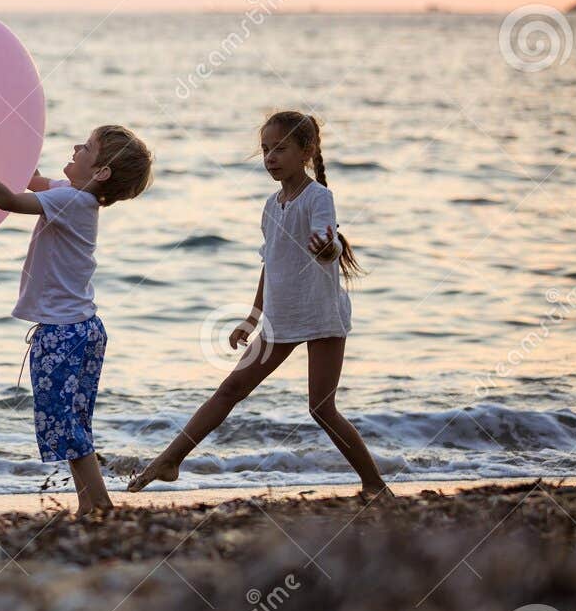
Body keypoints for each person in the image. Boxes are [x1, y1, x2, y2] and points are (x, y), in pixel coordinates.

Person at [128, 111, 391, 500]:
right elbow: (270, 265)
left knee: (321, 407)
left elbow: (329, 243)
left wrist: (326, 249)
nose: (270, 157)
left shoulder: (319, 197)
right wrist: (252, 318)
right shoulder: (271, 206)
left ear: (307, 150)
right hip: (280, 317)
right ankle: (169, 461)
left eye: (280, 149)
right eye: (266, 150)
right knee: (231, 387)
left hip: (322, 314)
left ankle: (374, 484)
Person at [0, 123, 153, 516]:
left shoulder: (73, 202)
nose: (76, 146)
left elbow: (7, 199)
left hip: (63, 334)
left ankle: (102, 505)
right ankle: (88, 505)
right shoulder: (74, 194)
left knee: (67, 425)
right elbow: (28, 179)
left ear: (101, 173)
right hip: (85, 328)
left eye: (87, 147)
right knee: (75, 422)